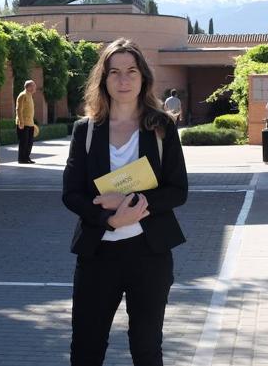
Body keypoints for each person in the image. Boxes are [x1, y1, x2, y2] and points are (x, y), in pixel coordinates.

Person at [62, 38, 188, 366]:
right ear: (103, 80)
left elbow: (178, 191)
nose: (123, 79)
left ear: (143, 77)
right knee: (86, 349)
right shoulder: (85, 131)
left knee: (147, 350)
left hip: (150, 255)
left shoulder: (161, 128)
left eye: (131, 71)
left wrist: (129, 201)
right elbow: (71, 193)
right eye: (114, 72)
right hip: (98, 255)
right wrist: (110, 220)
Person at [16, 80, 36, 164]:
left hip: (30, 123)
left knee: (29, 142)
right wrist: (21, 121)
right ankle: (21, 159)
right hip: (23, 123)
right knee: (23, 142)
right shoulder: (22, 95)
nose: (35, 88)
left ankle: (27, 157)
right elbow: (18, 109)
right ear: (28, 87)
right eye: (33, 86)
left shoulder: (30, 95)